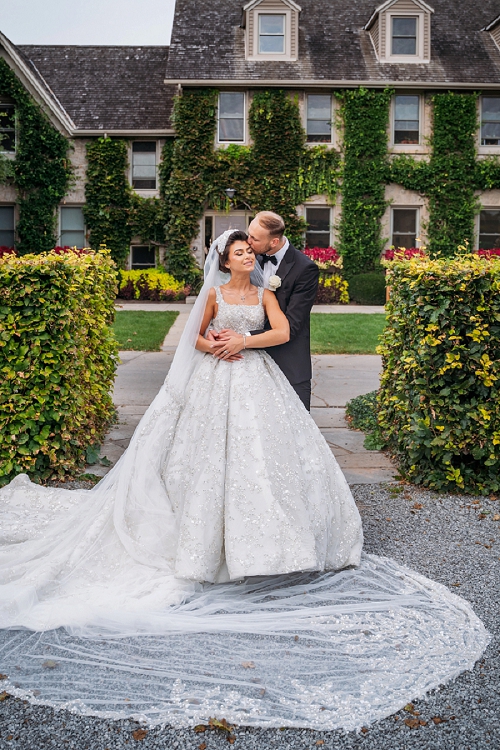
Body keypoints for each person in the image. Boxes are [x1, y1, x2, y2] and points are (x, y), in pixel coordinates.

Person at [0, 230, 488, 729]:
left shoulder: (266, 293)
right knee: (206, 462)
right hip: (216, 377)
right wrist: (213, 345)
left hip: (256, 376)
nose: (247, 256)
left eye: (250, 251)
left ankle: (275, 547)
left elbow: (281, 333)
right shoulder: (212, 293)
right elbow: (194, 334)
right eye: (239, 251)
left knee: (267, 461)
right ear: (224, 259)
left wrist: (244, 340)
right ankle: (207, 546)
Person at [209, 211, 319, 410]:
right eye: (249, 234)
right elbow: (227, 296)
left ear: (274, 242)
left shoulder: (305, 270)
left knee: (295, 432)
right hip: (242, 364)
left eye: (254, 239)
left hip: (288, 362)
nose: (248, 242)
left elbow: (291, 327)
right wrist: (214, 329)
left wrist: (241, 338)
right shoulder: (249, 258)